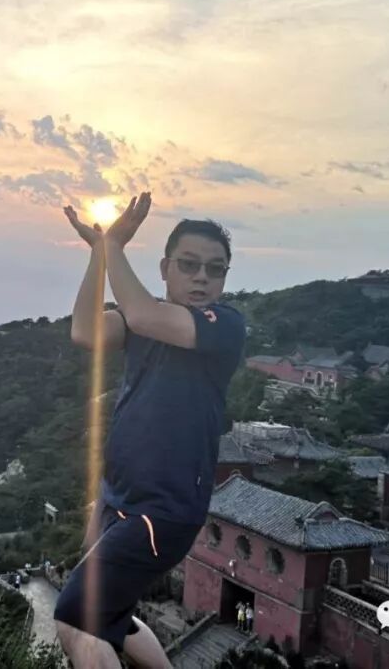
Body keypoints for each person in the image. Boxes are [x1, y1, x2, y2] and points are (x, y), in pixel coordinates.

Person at [54, 192, 247, 669]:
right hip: (119, 496)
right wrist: (100, 253)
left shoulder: (223, 325)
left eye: (214, 269)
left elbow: (143, 314)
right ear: (165, 268)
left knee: (77, 620)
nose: (201, 277)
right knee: (110, 614)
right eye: (189, 264)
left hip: (163, 509)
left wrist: (113, 244)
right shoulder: (144, 323)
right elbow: (85, 331)